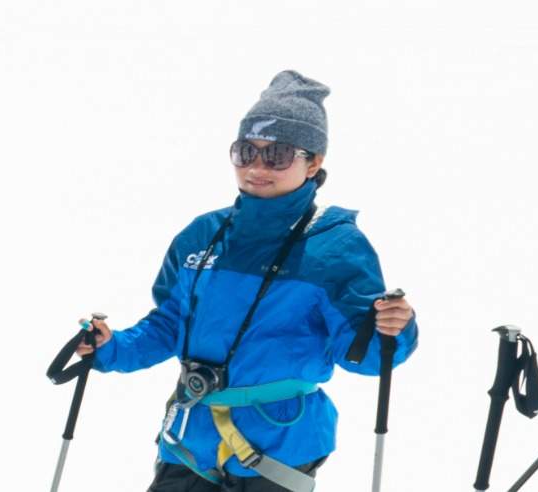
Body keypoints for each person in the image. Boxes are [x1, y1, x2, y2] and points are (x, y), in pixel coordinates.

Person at [75, 72, 418, 491]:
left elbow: (364, 356)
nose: (256, 167)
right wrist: (112, 347)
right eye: (245, 152)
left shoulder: (335, 248)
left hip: (279, 448)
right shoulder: (202, 235)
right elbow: (168, 324)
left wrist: (393, 329)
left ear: (313, 162)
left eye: (277, 155)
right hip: (191, 442)